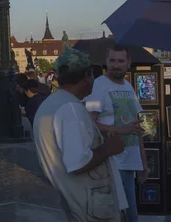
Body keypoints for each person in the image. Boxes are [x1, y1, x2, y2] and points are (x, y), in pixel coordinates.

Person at [34, 48, 128, 221]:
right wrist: (109, 148)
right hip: (87, 208)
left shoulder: (52, 103)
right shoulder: (71, 109)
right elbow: (78, 163)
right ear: (87, 75)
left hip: (75, 204)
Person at [85, 45, 148, 222]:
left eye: (120, 61)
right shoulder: (99, 85)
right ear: (106, 61)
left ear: (128, 63)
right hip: (112, 163)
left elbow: (137, 127)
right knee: (126, 216)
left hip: (129, 161)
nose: (116, 65)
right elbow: (90, 123)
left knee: (128, 215)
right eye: (112, 60)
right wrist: (118, 130)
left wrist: (143, 162)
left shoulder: (128, 87)